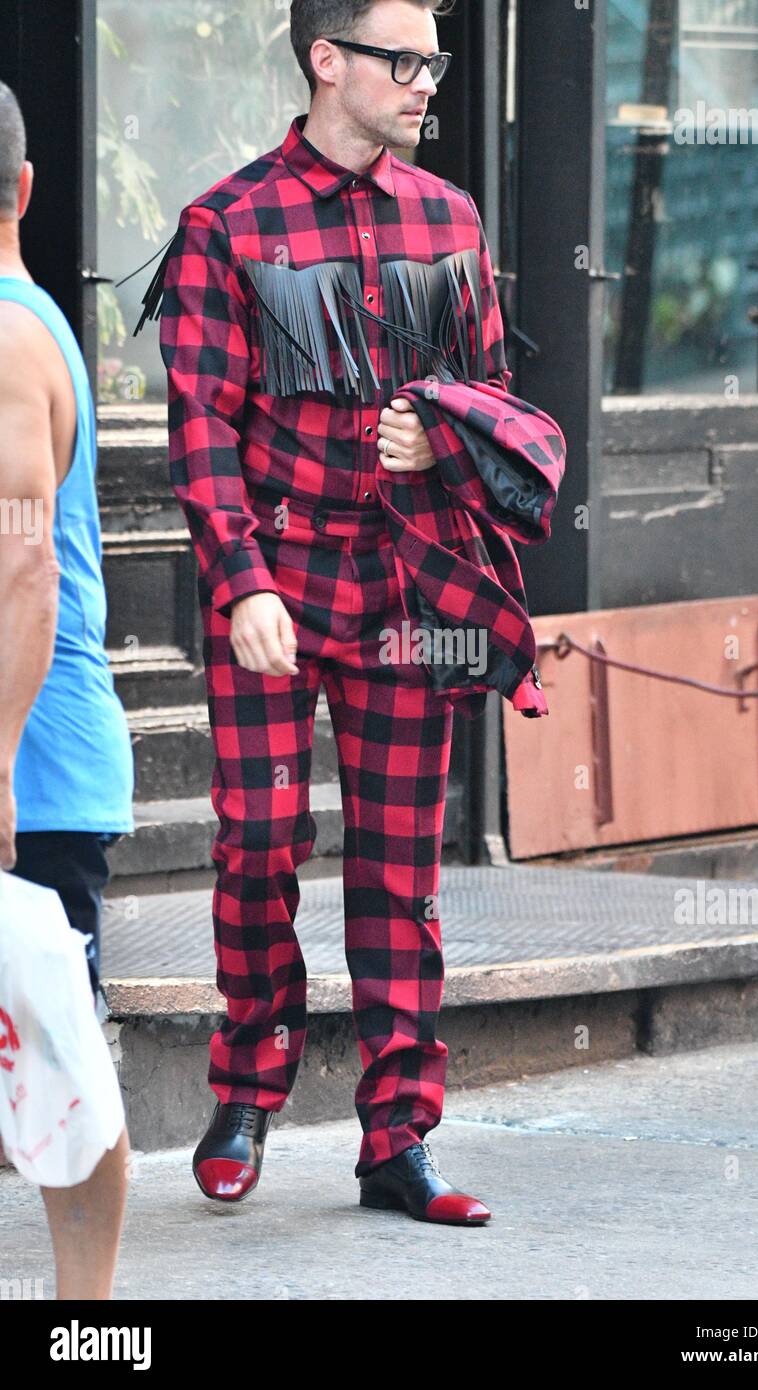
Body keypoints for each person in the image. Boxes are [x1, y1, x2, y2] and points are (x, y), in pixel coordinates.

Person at [153, 0, 517, 1225]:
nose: (426, 83)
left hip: (409, 576)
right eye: (403, 59)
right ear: (326, 60)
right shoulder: (227, 222)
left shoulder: (449, 218)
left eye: (433, 60)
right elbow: (199, 427)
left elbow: (493, 398)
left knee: (401, 862)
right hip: (278, 571)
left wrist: (447, 436)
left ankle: (397, 1139)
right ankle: (248, 1088)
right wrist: (239, 576)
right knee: (257, 837)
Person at [0, 80, 134, 1295]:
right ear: (26, 188)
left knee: (59, 1074)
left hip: (27, 776)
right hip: (38, 767)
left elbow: (21, 555)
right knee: (51, 1066)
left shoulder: (2, 333)